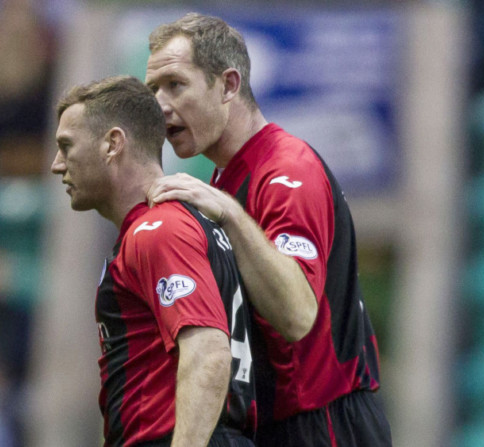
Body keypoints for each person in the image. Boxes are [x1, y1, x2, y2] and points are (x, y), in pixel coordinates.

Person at [144, 13, 392, 446]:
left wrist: (232, 216)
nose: (161, 105)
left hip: (324, 424)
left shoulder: (286, 171)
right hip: (275, 423)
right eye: (154, 90)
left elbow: (297, 315)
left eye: (176, 85)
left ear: (229, 85)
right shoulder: (224, 180)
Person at [49, 75, 255, 447]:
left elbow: (208, 353)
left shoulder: (159, 230)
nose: (56, 165)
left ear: (112, 144)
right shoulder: (174, 226)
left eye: (66, 146)